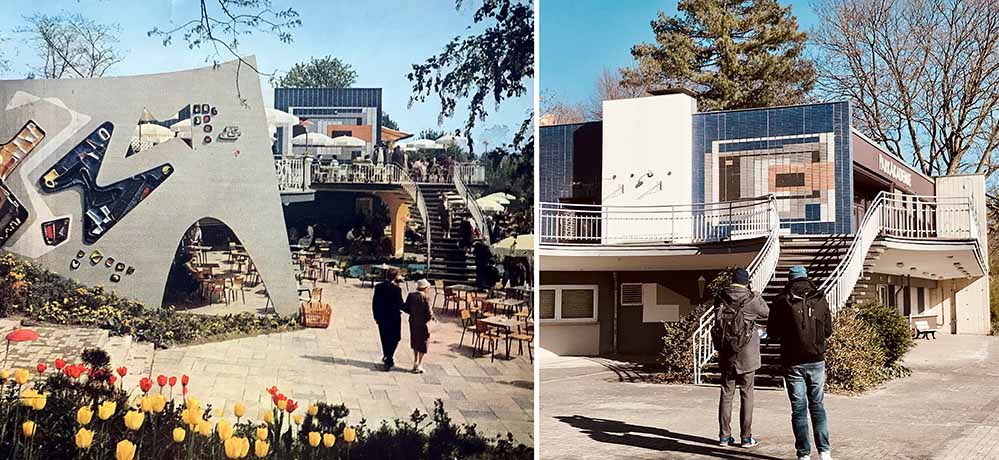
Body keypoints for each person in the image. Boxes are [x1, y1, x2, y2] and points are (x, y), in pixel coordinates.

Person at [769, 266, 833, 460]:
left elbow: (772, 333)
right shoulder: (820, 298)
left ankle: (803, 454)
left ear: (790, 279)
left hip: (792, 361)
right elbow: (828, 330)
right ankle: (825, 452)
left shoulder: (781, 301)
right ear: (806, 278)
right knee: (818, 405)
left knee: (799, 408)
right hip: (816, 360)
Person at [712, 267, 768, 449]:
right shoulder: (751, 299)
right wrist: (757, 295)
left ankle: (724, 437)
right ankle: (746, 438)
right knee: (747, 394)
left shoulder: (721, 297)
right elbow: (767, 313)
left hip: (726, 352)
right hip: (747, 354)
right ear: (747, 281)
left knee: (726, 394)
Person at [372, 268, 405, 371]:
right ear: (395, 277)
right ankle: (389, 357)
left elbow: (375, 303)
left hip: (382, 317)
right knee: (395, 338)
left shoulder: (379, 287)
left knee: (384, 337)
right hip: (393, 317)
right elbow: (400, 304)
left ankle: (387, 356)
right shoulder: (397, 289)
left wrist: (376, 316)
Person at [405, 279, 434, 374]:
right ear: (425, 288)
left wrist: (413, 313)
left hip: (413, 322)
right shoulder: (426, 298)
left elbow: (406, 308)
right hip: (423, 324)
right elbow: (429, 313)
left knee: (415, 341)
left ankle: (415, 361)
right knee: (423, 343)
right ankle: (420, 364)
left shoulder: (411, 296)